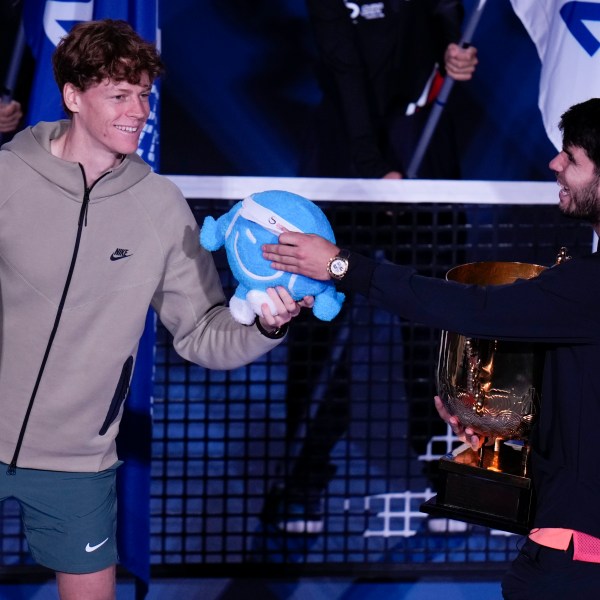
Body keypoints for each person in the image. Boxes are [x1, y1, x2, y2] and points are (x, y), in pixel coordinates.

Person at [0, 19, 310, 600]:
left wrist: (265, 323)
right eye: (120, 94)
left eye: (143, 94)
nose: (138, 110)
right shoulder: (5, 177)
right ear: (73, 96)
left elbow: (201, 333)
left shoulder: (162, 207)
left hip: (78, 461)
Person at [263, 98, 600, 599]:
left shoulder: (590, 284)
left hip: (575, 563)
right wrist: (498, 422)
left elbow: (473, 309)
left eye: (571, 158)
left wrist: (342, 267)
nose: (554, 164)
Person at [267, 0, 478, 535]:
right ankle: (302, 479)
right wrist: (370, 169)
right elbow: (344, 68)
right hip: (346, 169)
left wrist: (453, 52)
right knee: (322, 325)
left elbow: (445, 25)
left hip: (425, 165)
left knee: (434, 327)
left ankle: (445, 477)